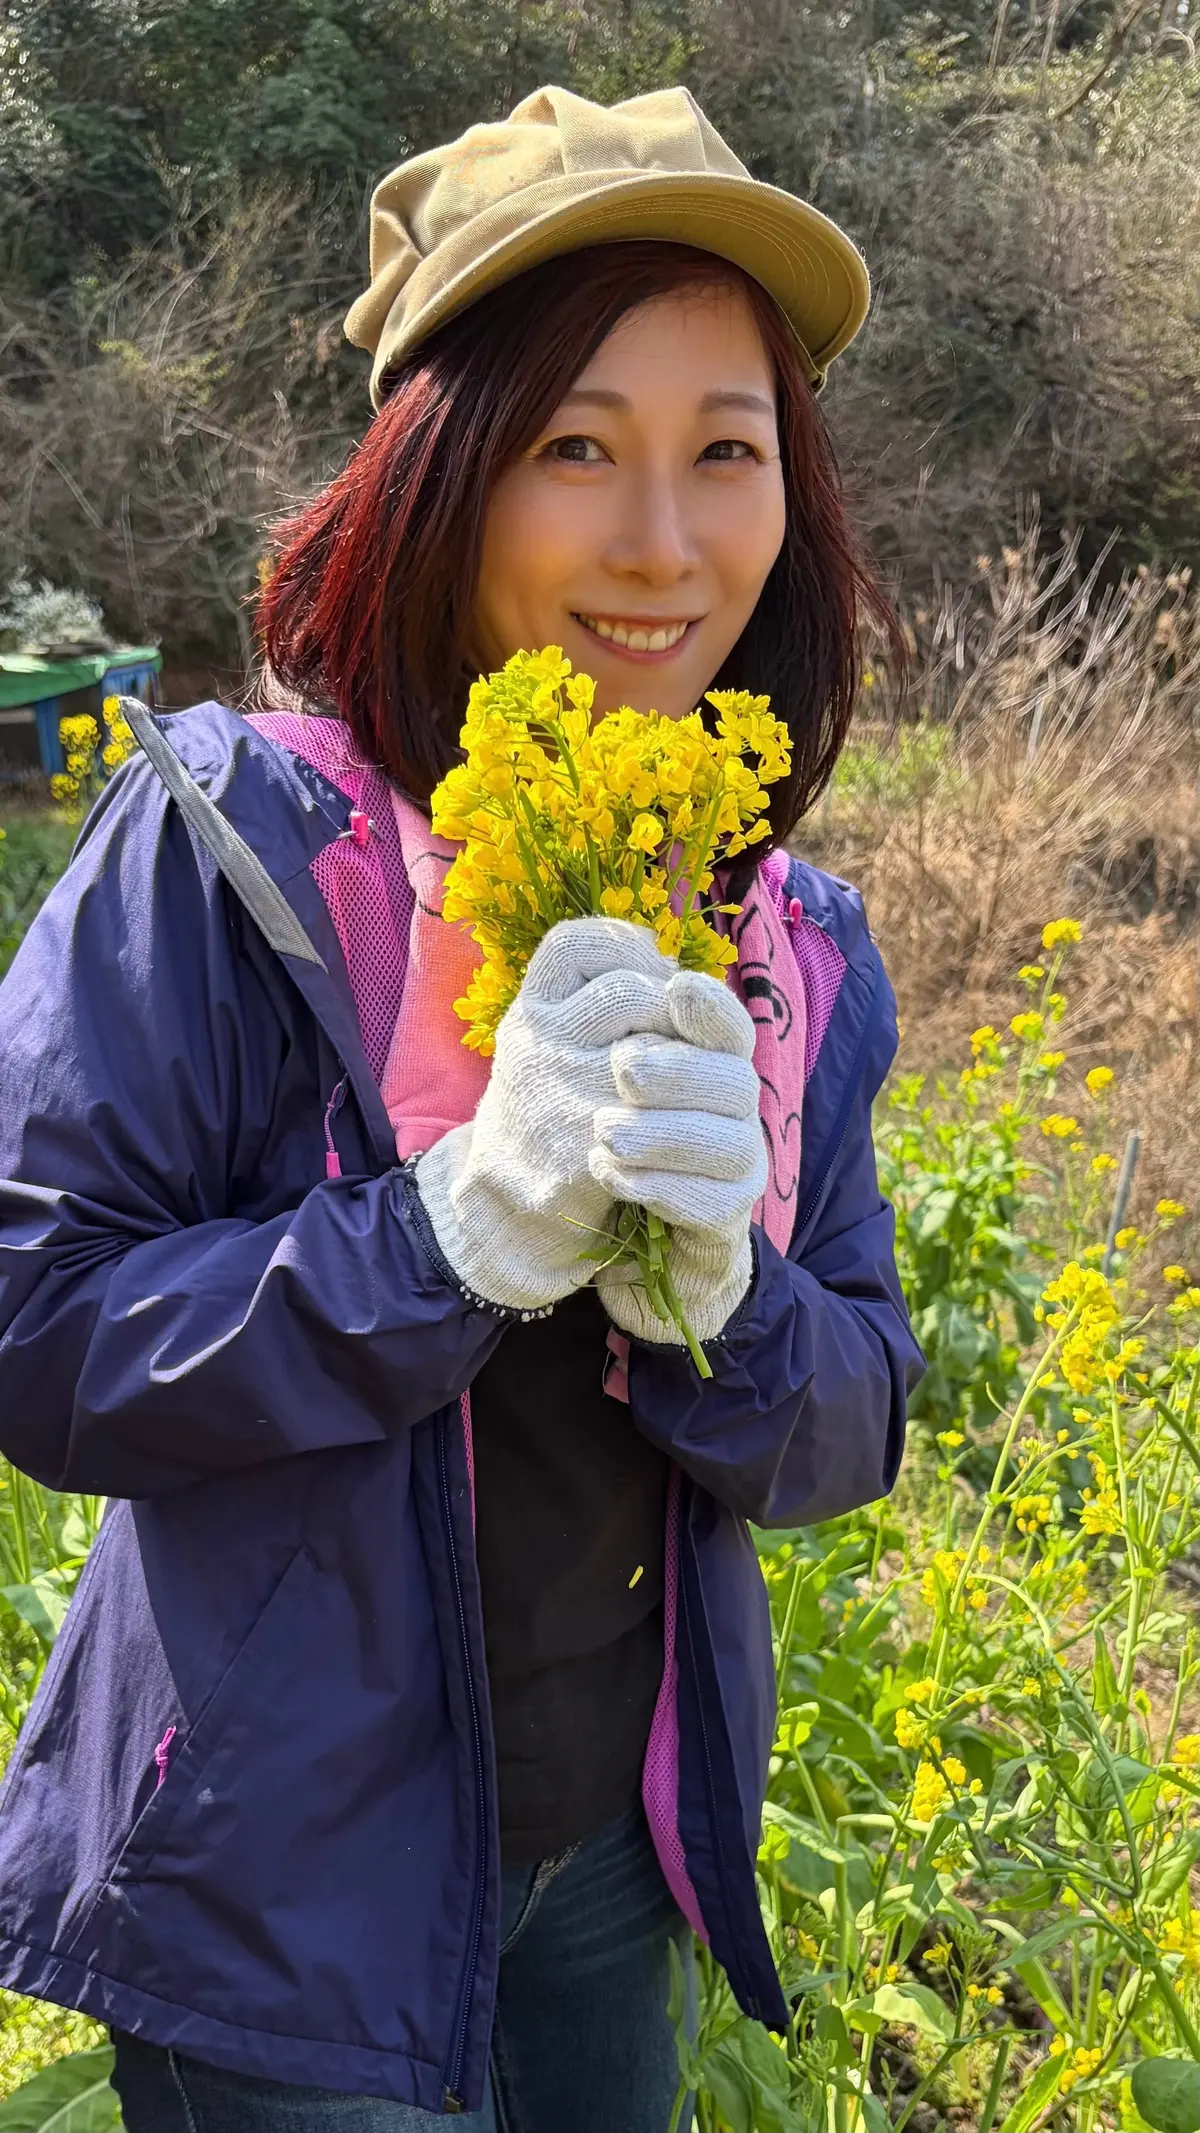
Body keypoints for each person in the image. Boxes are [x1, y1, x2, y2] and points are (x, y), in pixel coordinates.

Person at [0, 83, 922, 2133]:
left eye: (728, 453)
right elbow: (38, 1333)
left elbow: (862, 1395)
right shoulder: (237, 853)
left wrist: (735, 1305)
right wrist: (433, 1244)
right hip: (280, 1908)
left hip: (616, 1871)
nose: (663, 542)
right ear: (437, 471)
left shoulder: (791, 939)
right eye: (574, 445)